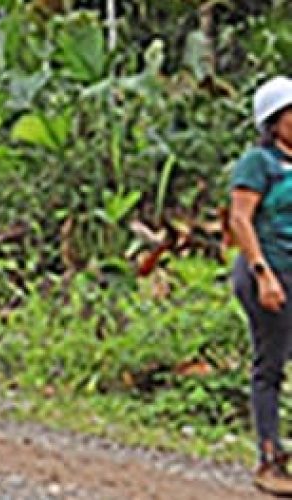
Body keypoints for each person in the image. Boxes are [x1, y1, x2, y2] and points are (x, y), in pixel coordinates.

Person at [228, 75, 292, 495]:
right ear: (275, 120)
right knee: (269, 365)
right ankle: (269, 460)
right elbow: (239, 219)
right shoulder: (258, 163)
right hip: (268, 271)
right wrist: (262, 272)